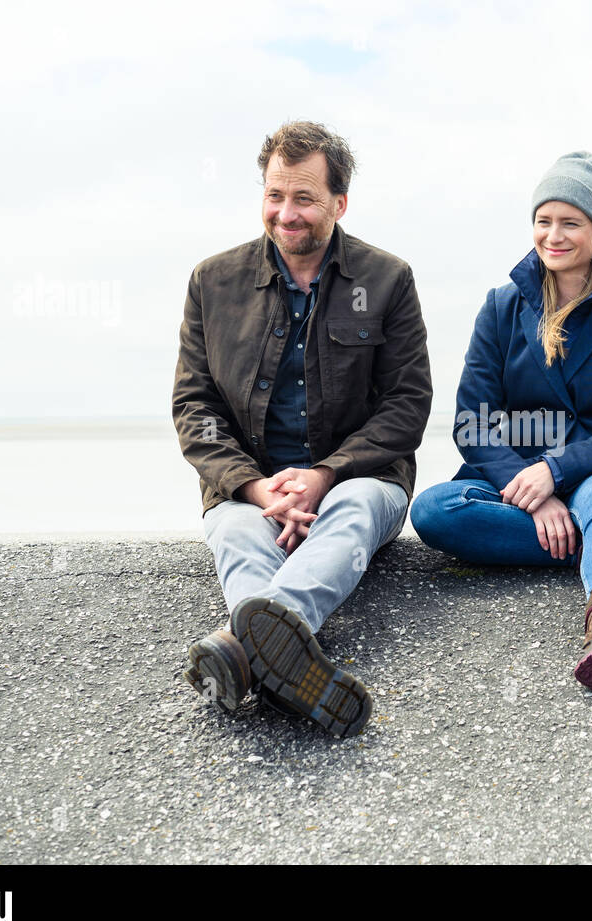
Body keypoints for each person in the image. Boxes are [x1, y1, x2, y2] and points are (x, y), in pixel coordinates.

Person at [172, 120, 432, 737]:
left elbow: (407, 404)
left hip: (360, 481)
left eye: (304, 198)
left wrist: (324, 476)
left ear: (339, 203)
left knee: (356, 509)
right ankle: (285, 664)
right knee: (235, 533)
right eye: (274, 195)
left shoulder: (387, 280)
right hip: (250, 490)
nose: (286, 213)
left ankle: (240, 652)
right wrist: (257, 489)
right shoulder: (213, 282)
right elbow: (194, 405)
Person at [411, 151, 592, 691]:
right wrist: (532, 490)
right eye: (543, 220)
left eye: (570, 222)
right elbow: (473, 423)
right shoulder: (501, 306)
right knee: (435, 510)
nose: (553, 235)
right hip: (517, 477)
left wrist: (556, 471)